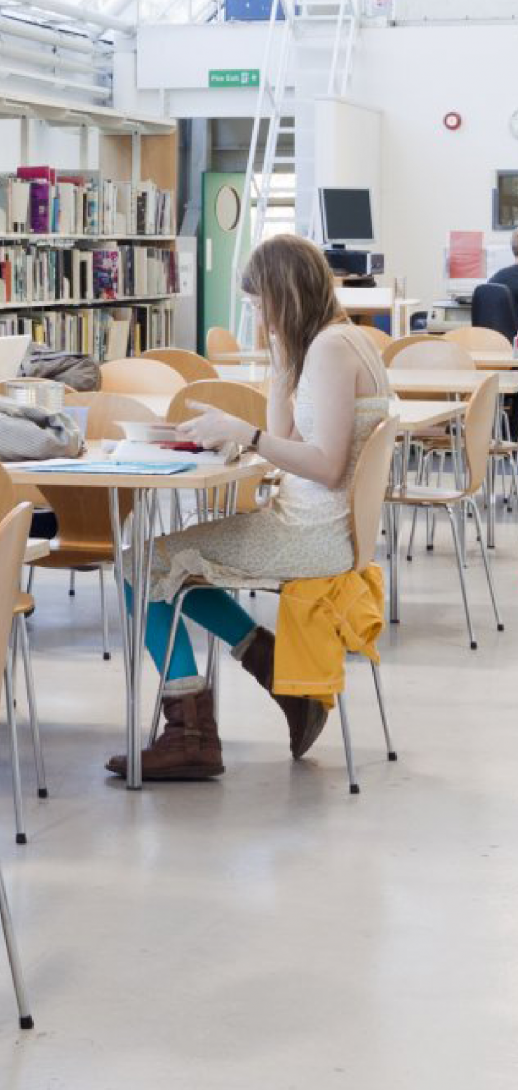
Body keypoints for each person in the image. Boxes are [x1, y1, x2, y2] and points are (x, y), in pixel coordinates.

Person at [110, 231, 393, 783]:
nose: (255, 315)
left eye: (258, 303)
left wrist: (246, 432)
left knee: (139, 565)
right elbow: (289, 433)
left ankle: (190, 734)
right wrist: (283, 357)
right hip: (315, 525)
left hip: (311, 534)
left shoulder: (334, 350)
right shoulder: (334, 342)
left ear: (282, 293)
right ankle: (274, 672)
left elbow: (327, 464)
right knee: (176, 561)